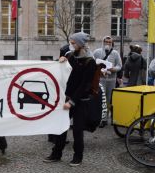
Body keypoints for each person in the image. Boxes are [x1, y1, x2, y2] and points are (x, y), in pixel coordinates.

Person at [44, 32, 96, 166]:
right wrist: (61, 61)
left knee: (77, 129)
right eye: (70, 43)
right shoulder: (70, 56)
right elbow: (62, 70)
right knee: (61, 127)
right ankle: (56, 154)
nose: (71, 45)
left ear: (80, 44)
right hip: (67, 98)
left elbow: (85, 85)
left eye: (73, 43)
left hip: (80, 100)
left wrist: (72, 102)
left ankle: (78, 156)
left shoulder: (90, 61)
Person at [92, 36, 122, 123]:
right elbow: (92, 63)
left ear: (112, 43)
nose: (108, 44)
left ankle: (105, 119)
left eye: (109, 42)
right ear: (103, 42)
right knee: (100, 98)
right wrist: (99, 69)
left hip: (111, 80)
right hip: (100, 79)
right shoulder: (97, 52)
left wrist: (113, 69)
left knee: (108, 99)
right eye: (106, 42)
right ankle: (98, 117)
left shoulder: (115, 53)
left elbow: (119, 66)